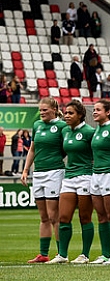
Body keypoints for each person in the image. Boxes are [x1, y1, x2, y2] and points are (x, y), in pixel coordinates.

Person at [48, 100, 96, 264]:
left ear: (80, 115)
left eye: (71, 113)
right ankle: (62, 255)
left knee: (84, 217)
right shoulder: (65, 132)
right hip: (69, 177)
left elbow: (98, 152)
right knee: (63, 217)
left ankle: (85, 254)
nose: (67, 116)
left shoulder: (89, 132)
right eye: (66, 113)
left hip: (85, 176)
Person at [20, 98, 67, 263]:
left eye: (45, 110)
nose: (42, 113)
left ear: (54, 109)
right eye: (40, 110)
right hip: (38, 173)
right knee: (43, 216)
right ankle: (43, 254)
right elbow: (32, 149)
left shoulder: (62, 126)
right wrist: (26, 170)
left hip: (55, 172)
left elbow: (67, 147)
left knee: (55, 215)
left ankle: (62, 254)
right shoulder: (37, 125)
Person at [88, 100, 110, 264]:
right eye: (94, 110)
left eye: (98, 110)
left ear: (108, 112)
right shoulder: (96, 131)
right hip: (96, 175)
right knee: (101, 216)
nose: (94, 112)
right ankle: (104, 254)